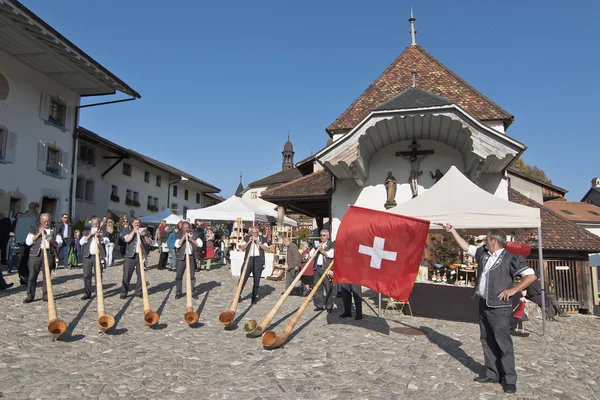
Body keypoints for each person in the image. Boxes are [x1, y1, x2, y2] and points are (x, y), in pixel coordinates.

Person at [444, 224, 537, 394]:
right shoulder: (484, 254)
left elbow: (531, 276)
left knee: (503, 342)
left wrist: (512, 290)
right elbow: (466, 247)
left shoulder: (511, 258)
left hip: (500, 307)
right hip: (484, 303)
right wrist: (453, 231)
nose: (485, 242)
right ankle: (492, 373)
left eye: (487, 239)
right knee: (486, 339)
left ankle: (509, 379)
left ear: (494, 241)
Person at [23, 213, 63, 303]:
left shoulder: (55, 230)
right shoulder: (34, 229)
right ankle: (30, 295)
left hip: (48, 254)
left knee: (47, 276)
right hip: (36, 254)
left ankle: (46, 295)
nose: (46, 223)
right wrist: (38, 234)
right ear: (41, 221)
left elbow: (59, 242)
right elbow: (28, 242)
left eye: (48, 221)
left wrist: (52, 241)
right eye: (44, 221)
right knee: (32, 275)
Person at [120, 218, 152, 299]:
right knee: (126, 275)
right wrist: (134, 231)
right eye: (135, 223)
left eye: (138, 223)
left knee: (141, 275)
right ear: (132, 224)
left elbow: (150, 243)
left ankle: (138, 292)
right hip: (130, 256)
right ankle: (124, 292)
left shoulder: (146, 232)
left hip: (141, 256)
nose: (137, 224)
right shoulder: (128, 231)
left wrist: (144, 235)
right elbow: (127, 239)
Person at [79, 217, 109, 300]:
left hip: (98, 256)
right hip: (87, 256)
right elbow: (81, 242)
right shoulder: (86, 232)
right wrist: (90, 235)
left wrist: (100, 237)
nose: (95, 225)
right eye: (94, 224)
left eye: (97, 224)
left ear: (99, 224)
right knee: (86, 275)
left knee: (98, 275)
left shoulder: (103, 232)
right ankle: (87, 293)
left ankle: (98, 293)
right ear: (91, 224)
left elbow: (107, 241)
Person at [239, 226, 270, 304]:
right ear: (250, 232)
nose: (254, 234)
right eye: (253, 232)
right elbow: (242, 248)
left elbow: (266, 248)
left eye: (256, 233)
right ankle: (238, 295)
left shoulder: (262, 239)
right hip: (248, 259)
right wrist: (249, 241)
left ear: (258, 232)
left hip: (258, 259)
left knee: (256, 280)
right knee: (242, 278)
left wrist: (258, 242)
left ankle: (254, 297)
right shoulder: (246, 238)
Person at [174, 221, 202, 299]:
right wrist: (183, 237)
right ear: (182, 228)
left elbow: (199, 244)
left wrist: (190, 239)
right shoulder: (178, 234)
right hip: (181, 257)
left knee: (192, 276)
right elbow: (177, 245)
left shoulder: (194, 234)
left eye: (188, 228)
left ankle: (192, 291)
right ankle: (178, 292)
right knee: (179, 275)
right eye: (185, 228)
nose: (187, 229)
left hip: (191, 257)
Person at [14, 202, 39, 285]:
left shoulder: (21, 216)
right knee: (30, 259)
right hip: (31, 239)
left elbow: (17, 229)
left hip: (21, 240)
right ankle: (28, 277)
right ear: (36, 208)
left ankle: (22, 276)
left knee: (22, 258)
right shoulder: (36, 216)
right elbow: (36, 228)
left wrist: (16, 241)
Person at [310, 229, 335, 313]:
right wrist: (316, 248)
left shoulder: (331, 244)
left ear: (327, 236)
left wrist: (321, 250)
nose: (322, 237)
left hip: (326, 269)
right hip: (317, 268)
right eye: (321, 235)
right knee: (318, 287)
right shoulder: (318, 244)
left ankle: (329, 305)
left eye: (324, 235)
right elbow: (311, 254)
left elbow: (331, 254)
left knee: (328, 287)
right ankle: (320, 305)